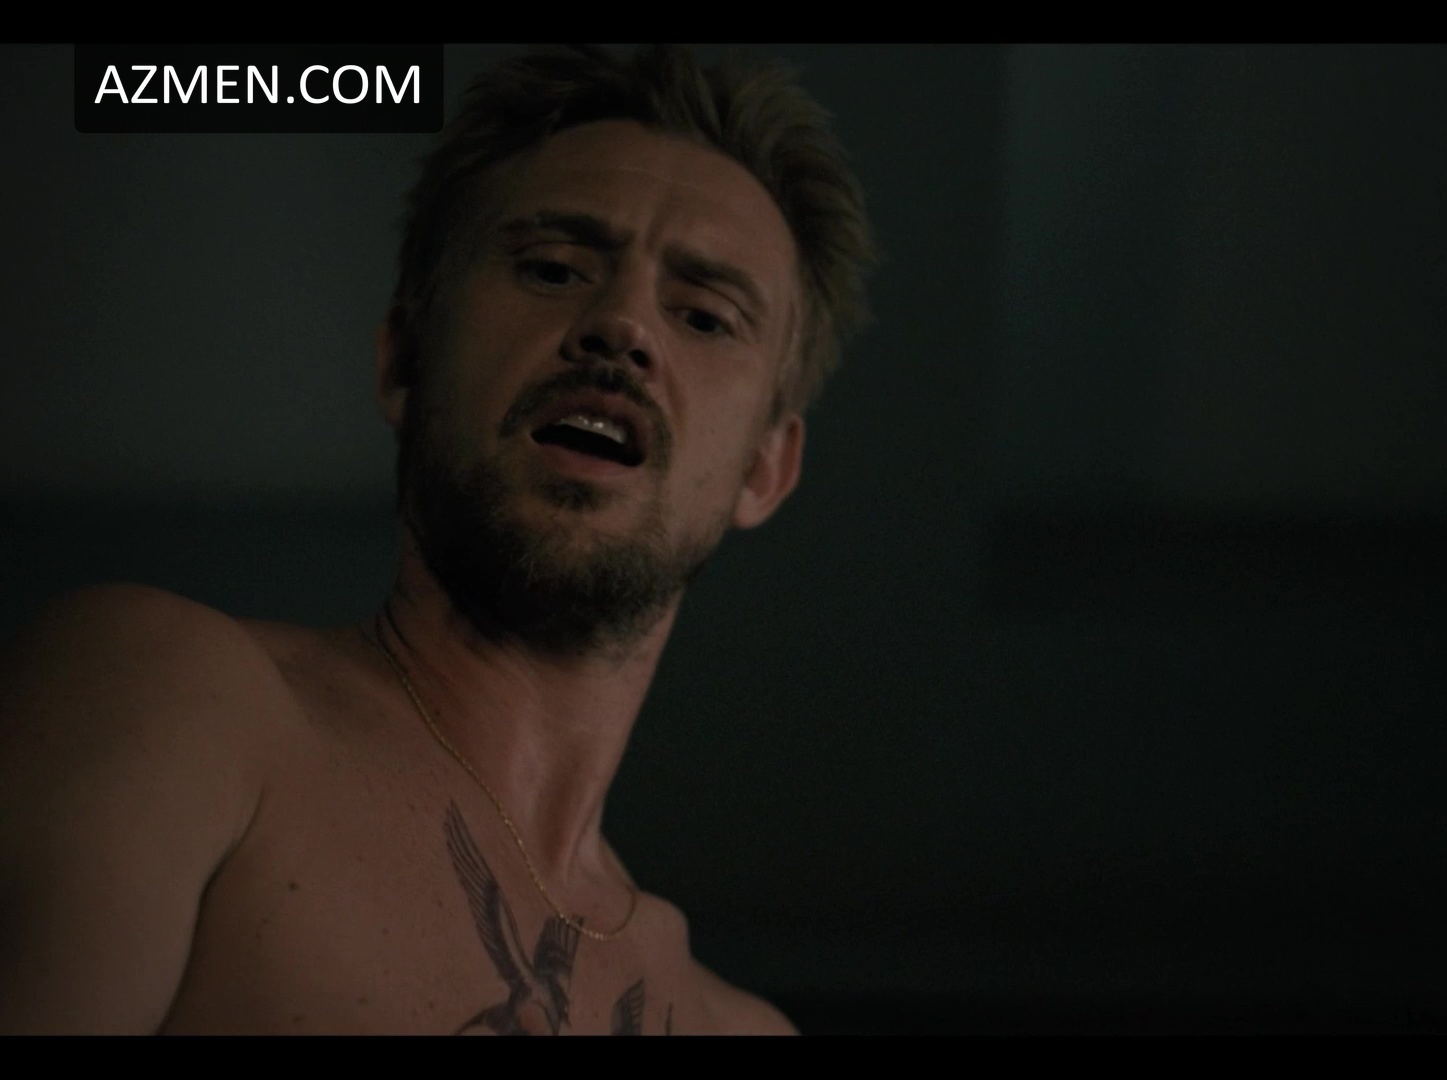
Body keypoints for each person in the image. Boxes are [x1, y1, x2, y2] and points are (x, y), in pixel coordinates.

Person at [0, 44, 874, 1035]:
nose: (623, 324)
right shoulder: (173, 706)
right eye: (553, 268)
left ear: (765, 468)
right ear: (404, 363)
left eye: (705, 317)